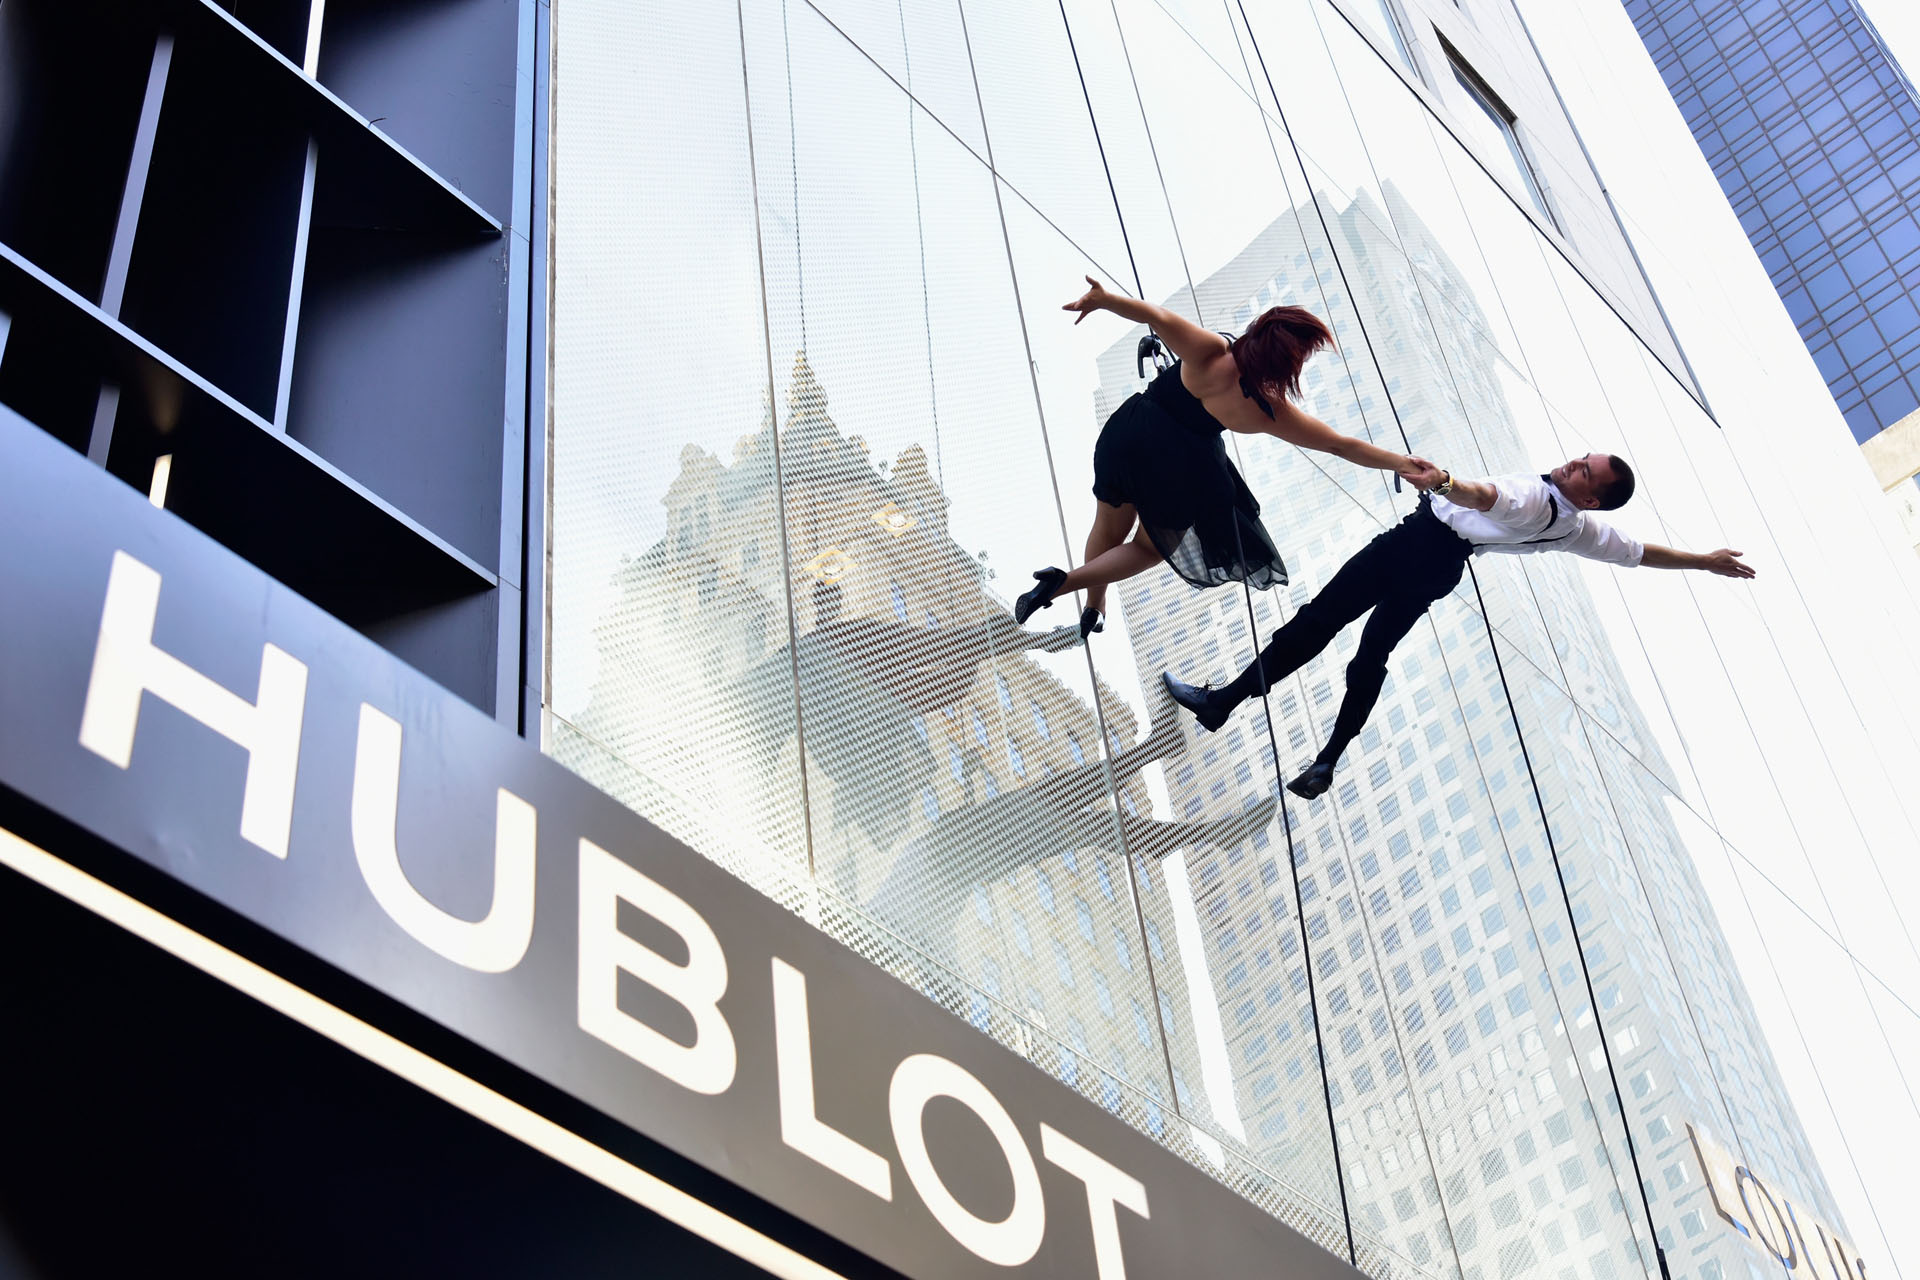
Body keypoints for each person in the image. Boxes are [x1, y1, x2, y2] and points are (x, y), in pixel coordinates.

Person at [1162, 454, 1756, 799]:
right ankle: (1328, 759)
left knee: (1317, 623)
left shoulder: (1533, 499)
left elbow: (1486, 495)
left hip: (1418, 543)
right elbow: (1637, 551)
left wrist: (1442, 482)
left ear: (1592, 498)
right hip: (1442, 568)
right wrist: (1703, 560)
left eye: (1583, 471)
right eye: (1581, 458)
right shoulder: (1577, 529)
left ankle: (1224, 703)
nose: (1572, 462)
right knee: (1368, 658)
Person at [1013, 277, 1440, 639]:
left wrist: (1104, 301)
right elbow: (1339, 445)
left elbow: (1157, 317)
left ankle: (1093, 604)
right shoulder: (1268, 410)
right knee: (1148, 547)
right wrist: (1399, 463)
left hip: (1131, 433)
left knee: (1107, 525)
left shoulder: (1212, 352)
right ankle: (1065, 584)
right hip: (1178, 469)